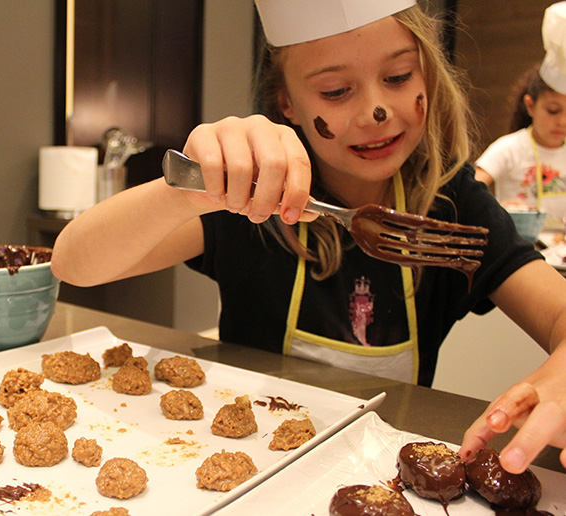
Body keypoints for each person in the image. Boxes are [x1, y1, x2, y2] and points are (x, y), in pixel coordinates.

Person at [51, 0, 566, 474]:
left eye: (398, 75)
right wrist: (187, 191)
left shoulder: (453, 207)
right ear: (288, 103)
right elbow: (75, 263)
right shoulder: (250, 199)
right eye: (336, 91)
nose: (375, 112)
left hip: (376, 473)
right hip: (239, 471)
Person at [474, 63, 566, 227]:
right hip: (518, 248)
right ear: (530, 106)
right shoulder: (510, 148)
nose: (562, 121)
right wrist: (499, 208)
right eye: (553, 110)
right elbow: (470, 189)